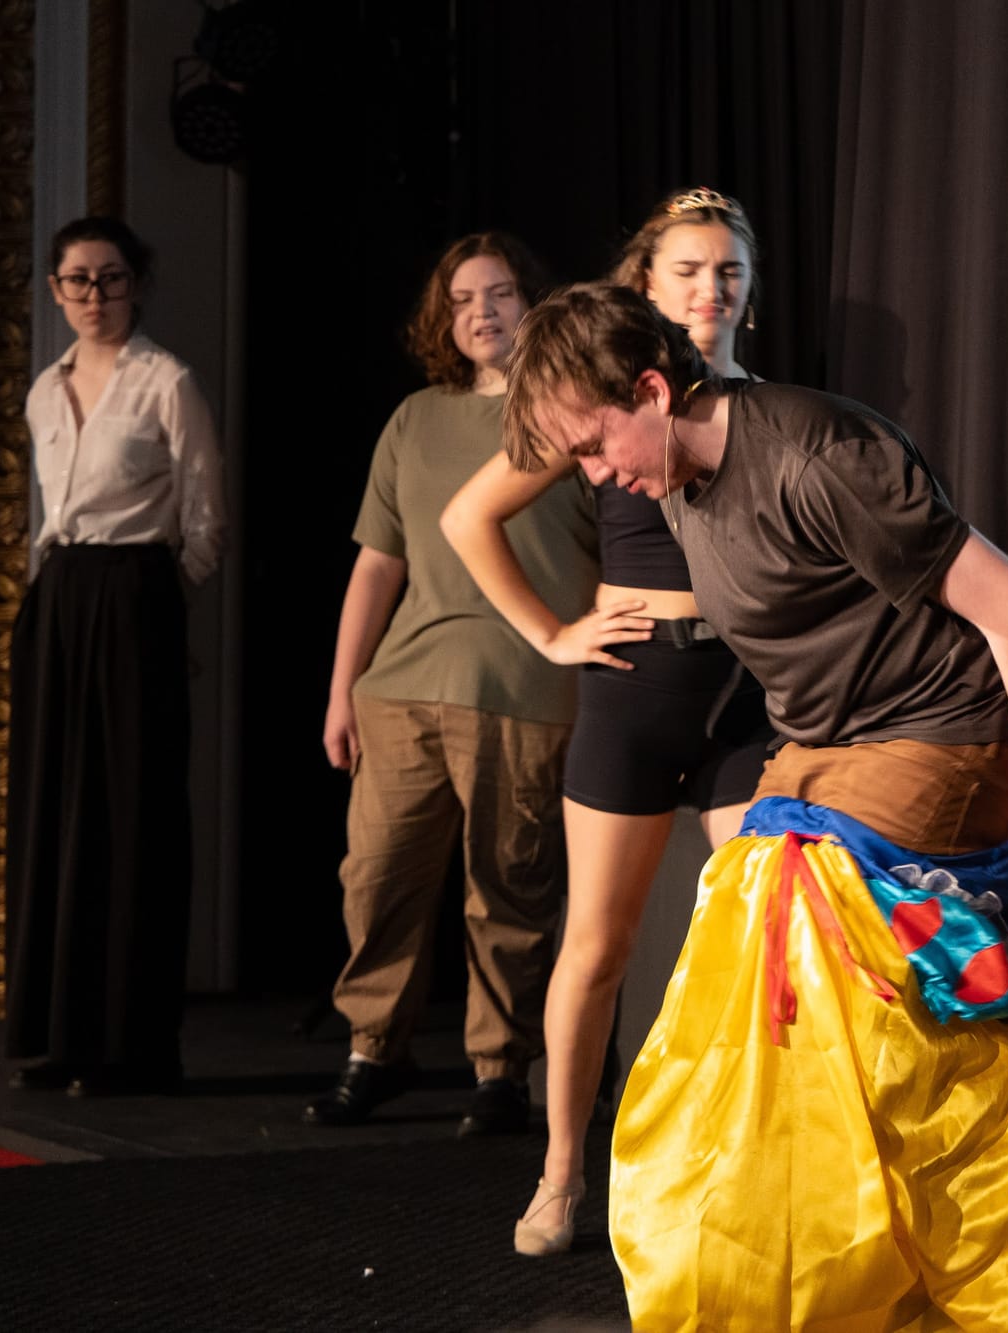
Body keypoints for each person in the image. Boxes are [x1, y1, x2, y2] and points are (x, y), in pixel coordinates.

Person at [502, 282, 1008, 1329]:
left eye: (594, 446)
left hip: (944, 730)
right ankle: (782, 1265)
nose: (594, 476)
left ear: (653, 390)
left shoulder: (818, 457)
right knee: (733, 969)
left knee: (779, 888)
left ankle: (989, 1003)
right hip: (826, 749)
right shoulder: (677, 484)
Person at [439, 189, 776, 1257]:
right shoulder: (603, 398)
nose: (710, 289)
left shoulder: (760, 410)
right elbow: (466, 516)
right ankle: (559, 1175)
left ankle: (743, 1170)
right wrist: (551, 632)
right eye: (688, 270)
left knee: (759, 934)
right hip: (633, 687)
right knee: (596, 946)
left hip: (741, 699)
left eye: (728, 271)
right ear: (646, 282)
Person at [307, 233, 599, 1138]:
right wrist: (342, 690)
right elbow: (376, 565)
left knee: (508, 886)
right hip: (401, 688)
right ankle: (373, 1050)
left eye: (500, 293)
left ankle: (500, 1069)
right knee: (377, 878)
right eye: (463, 298)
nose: (482, 312)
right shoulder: (415, 419)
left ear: (533, 303)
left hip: (524, 688)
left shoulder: (573, 414)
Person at [5, 216, 224, 1099]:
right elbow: (48, 514)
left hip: (136, 595)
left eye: (111, 278)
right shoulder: (41, 391)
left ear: (137, 283)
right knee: (55, 810)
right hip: (59, 595)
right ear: (55, 290)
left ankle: (131, 1047)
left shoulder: (167, 382)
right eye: (78, 280)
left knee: (132, 815)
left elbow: (206, 519)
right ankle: (55, 1037)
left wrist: (156, 604)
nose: (94, 295)